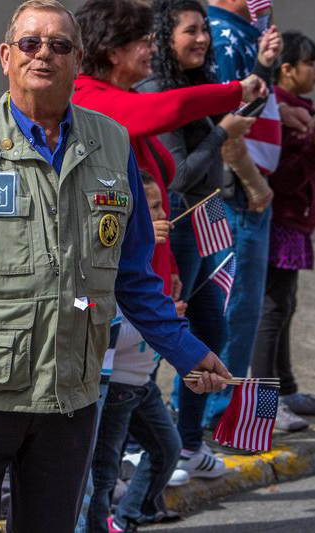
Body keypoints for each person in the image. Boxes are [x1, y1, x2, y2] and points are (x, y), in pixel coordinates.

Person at [0, 2, 232, 532]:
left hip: (69, 393)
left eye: (60, 45)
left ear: (78, 60)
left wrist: (185, 349)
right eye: (30, 43)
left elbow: (132, 274)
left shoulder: (113, 143)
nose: (44, 54)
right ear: (5, 57)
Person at [135, 0, 272, 478]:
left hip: (205, 218)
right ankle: (141, 447)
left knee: (212, 332)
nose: (202, 39)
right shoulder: (158, 90)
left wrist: (264, 66)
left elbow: (242, 109)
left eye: (204, 31)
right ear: (165, 37)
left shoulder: (197, 82)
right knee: (160, 338)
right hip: (177, 221)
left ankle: (189, 446)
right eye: (190, 31)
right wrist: (221, 135)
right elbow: (177, 176)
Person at [72, 0, 266, 300]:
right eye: (145, 42)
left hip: (151, 271)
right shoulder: (89, 99)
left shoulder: (125, 97)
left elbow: (157, 199)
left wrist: (171, 265)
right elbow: (173, 108)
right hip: (118, 286)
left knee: (211, 322)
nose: (154, 49)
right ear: (113, 51)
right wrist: (236, 91)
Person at [201, 0, 284, 430]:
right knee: (234, 307)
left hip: (247, 193)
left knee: (240, 306)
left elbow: (253, 104)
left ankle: (219, 415)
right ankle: (219, 417)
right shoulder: (223, 35)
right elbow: (227, 125)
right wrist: (253, 184)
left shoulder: (241, 32)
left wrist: (266, 65)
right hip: (240, 194)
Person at [88, 173, 184, 533]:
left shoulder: (156, 254)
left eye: (162, 206)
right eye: (153, 208)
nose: (163, 216)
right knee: (102, 471)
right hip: (115, 385)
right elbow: (109, 328)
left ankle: (126, 519)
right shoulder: (114, 255)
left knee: (167, 449)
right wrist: (162, 322)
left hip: (143, 381)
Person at [251, 31, 315, 431]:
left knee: (285, 306)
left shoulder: (298, 109)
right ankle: (265, 403)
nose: (314, 72)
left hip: (293, 222)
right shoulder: (279, 112)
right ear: (286, 69)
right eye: (310, 64)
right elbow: (283, 179)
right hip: (276, 221)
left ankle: (286, 388)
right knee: (271, 311)